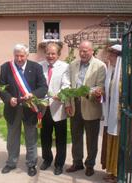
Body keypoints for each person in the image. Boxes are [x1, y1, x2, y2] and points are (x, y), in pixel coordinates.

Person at [0, 43, 47, 176]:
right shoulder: (6, 67)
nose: (19, 59)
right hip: (13, 109)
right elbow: (1, 87)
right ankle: (11, 162)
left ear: (27, 55)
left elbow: (43, 87)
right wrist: (9, 99)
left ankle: (31, 164)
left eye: (22, 56)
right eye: (16, 56)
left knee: (31, 137)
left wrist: (33, 94)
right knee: (12, 137)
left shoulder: (36, 67)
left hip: (30, 109)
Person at [66, 40, 106, 176]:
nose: (82, 53)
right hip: (74, 105)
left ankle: (90, 165)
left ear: (92, 51)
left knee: (91, 139)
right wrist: (68, 104)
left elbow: (100, 86)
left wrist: (87, 92)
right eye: (81, 50)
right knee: (76, 136)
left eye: (85, 51)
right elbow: (68, 85)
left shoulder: (100, 66)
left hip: (91, 105)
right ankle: (77, 163)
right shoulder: (72, 65)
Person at [39, 42, 71, 175]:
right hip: (43, 107)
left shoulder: (65, 67)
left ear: (58, 54)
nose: (50, 56)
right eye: (48, 53)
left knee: (60, 138)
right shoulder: (39, 66)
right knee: (45, 137)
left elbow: (66, 84)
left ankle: (59, 164)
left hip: (58, 108)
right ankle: (47, 159)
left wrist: (61, 94)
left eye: (53, 53)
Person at [101, 44, 122, 183]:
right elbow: (108, 90)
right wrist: (102, 92)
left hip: (120, 115)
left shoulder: (127, 72)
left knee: (119, 144)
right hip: (110, 112)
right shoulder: (112, 70)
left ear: (118, 57)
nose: (109, 58)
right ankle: (111, 171)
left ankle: (118, 173)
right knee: (110, 141)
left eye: (111, 55)